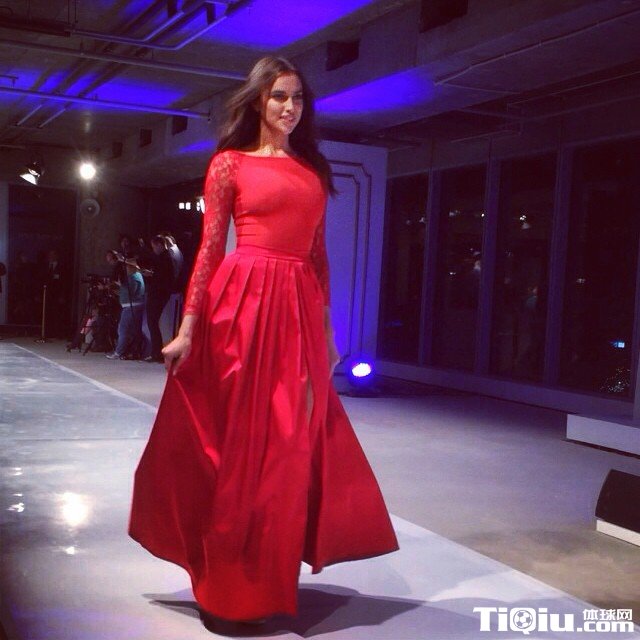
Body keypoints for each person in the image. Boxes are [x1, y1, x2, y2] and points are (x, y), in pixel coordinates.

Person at [128, 56, 398, 625]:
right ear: (258, 101)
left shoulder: (312, 172)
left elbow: (319, 260)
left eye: (297, 98)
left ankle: (268, 585)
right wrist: (186, 329)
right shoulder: (229, 164)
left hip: (295, 312)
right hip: (241, 306)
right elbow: (208, 251)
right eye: (279, 96)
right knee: (235, 448)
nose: (289, 107)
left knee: (287, 451)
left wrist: (327, 335)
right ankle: (228, 588)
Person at [106, 258, 145, 359]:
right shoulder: (134, 277)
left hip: (132, 307)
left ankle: (118, 352)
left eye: (127, 266)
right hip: (131, 306)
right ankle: (126, 351)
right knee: (130, 330)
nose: (126, 269)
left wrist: (120, 285)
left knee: (123, 329)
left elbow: (131, 292)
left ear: (133, 267)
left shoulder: (134, 277)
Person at [144, 235, 174, 362]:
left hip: (158, 294)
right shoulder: (164, 258)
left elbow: (162, 278)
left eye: (154, 247)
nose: (154, 250)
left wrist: (151, 275)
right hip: (160, 293)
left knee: (152, 322)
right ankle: (156, 352)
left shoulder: (165, 258)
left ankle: (156, 352)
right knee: (153, 322)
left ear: (160, 245)